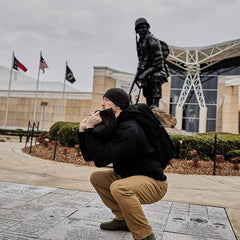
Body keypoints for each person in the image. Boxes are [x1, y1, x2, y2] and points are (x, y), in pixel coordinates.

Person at [78, 88, 168, 240]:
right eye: (103, 99)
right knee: (97, 178)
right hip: (129, 176)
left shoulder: (129, 129)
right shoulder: (114, 124)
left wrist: (90, 129)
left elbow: (101, 160)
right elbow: (90, 156)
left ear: (118, 106)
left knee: (119, 188)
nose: (102, 103)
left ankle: (145, 235)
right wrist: (83, 131)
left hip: (154, 183)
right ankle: (122, 220)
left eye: (107, 100)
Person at [134, 17, 169, 108]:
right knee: (146, 86)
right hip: (147, 71)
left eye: (143, 27)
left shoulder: (153, 42)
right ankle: (149, 106)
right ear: (136, 31)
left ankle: (155, 104)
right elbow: (141, 60)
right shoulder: (140, 43)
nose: (141, 30)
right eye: (139, 28)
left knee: (156, 77)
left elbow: (159, 64)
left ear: (147, 28)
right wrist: (139, 74)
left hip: (158, 70)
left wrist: (144, 73)